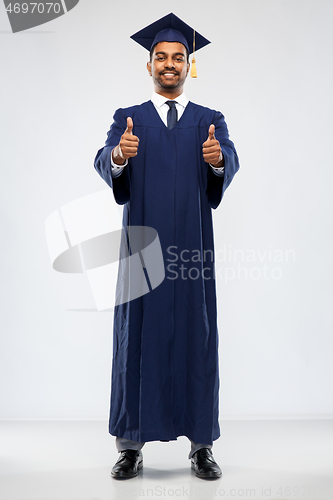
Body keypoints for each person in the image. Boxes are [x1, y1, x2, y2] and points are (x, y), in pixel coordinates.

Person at [94, 12, 240, 480]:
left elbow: (229, 160)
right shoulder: (128, 119)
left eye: (178, 57)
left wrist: (219, 162)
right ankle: (130, 446)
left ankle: (201, 446)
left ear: (189, 63)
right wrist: (119, 155)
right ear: (150, 65)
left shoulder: (209, 121)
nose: (170, 64)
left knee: (196, 340)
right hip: (143, 253)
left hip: (192, 253)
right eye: (161, 57)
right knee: (136, 340)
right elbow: (104, 158)